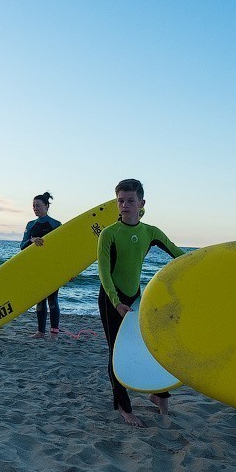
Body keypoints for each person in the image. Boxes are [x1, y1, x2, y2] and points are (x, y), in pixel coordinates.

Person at [97, 179, 184, 428]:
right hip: (110, 298)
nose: (124, 206)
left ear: (142, 203)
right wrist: (116, 302)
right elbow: (104, 273)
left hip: (135, 296)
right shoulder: (109, 234)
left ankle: (158, 395)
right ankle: (124, 409)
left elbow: (179, 255)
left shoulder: (151, 232)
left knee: (152, 346)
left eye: (130, 201)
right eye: (120, 201)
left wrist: (206, 264)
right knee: (115, 351)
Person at [19, 192, 62, 338]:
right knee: (39, 299)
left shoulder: (56, 224)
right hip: (36, 267)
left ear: (46, 206)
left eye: (38, 205)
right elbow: (22, 245)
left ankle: (54, 332)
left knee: (52, 300)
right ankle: (40, 331)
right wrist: (31, 241)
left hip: (52, 268)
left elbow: (62, 248)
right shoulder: (31, 225)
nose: (35, 208)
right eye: (33, 206)